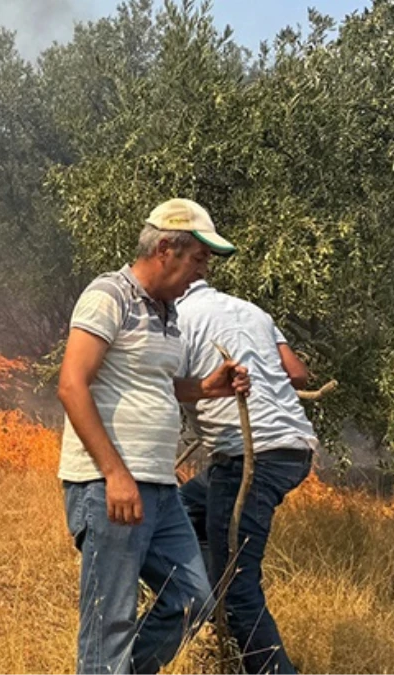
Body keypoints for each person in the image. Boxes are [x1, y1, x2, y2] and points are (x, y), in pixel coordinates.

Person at [57, 198, 248, 674]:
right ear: (166, 248)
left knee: (191, 600)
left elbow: (156, 384)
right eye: (199, 260)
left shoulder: (169, 313)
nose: (201, 274)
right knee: (111, 622)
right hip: (111, 488)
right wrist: (115, 474)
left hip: (160, 488)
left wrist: (208, 388)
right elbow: (71, 383)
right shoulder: (109, 296)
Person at [176, 280, 318, 675]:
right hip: (294, 449)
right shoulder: (254, 311)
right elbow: (298, 374)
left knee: (237, 588)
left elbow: (164, 385)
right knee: (187, 506)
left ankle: (221, 610)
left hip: (249, 458)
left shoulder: (180, 317)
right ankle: (204, 606)